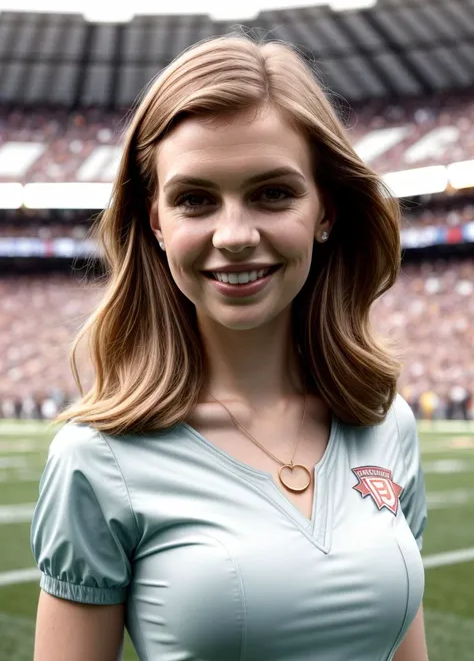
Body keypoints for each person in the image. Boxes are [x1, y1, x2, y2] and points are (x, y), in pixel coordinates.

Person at [30, 34, 428, 661]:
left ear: (325, 210)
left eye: (274, 193)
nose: (236, 235)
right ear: (156, 222)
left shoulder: (386, 422)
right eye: (195, 199)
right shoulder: (98, 459)